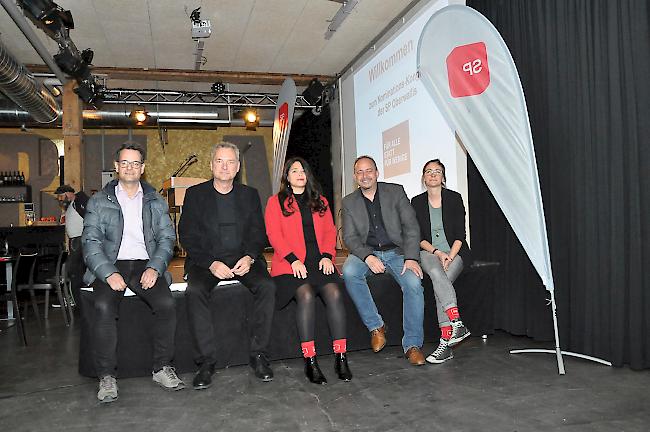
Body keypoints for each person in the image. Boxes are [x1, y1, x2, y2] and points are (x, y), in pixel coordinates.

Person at [82, 142, 183, 403]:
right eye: (124, 163)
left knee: (166, 304)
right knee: (103, 306)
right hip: (111, 262)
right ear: (116, 167)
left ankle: (162, 368)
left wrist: (154, 267)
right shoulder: (98, 200)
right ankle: (106, 376)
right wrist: (107, 273)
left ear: (143, 168)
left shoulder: (155, 200)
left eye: (135, 163)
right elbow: (90, 243)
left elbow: (166, 239)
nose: (130, 168)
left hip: (143, 263)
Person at [179, 142, 276, 389]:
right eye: (220, 161)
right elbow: (187, 235)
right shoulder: (195, 194)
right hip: (207, 261)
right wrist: (210, 263)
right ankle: (206, 362)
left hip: (243, 259)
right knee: (195, 291)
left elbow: (258, 232)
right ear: (211, 165)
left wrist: (251, 256)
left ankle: (258, 355)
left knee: (267, 286)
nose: (225, 166)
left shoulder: (249, 194)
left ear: (238, 167)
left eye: (230, 161)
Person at [265, 157, 352, 384]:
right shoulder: (276, 202)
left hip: (319, 261)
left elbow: (329, 233)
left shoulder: (320, 201)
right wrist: (293, 260)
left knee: (334, 292)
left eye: (303, 170)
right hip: (289, 265)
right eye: (294, 170)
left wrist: (326, 256)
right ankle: (310, 360)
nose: (299, 173)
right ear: (287, 176)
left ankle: (341, 357)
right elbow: (274, 235)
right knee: (304, 294)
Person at [341, 155, 426, 366]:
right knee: (350, 272)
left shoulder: (395, 192)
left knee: (414, 283)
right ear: (354, 176)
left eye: (368, 170)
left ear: (377, 173)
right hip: (367, 251)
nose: (364, 175)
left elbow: (411, 227)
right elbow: (350, 238)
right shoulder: (349, 202)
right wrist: (367, 256)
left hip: (397, 252)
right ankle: (376, 326)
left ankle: (413, 345)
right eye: (359, 172)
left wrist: (412, 257)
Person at [411, 159, 472, 364]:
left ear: (443, 177)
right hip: (429, 252)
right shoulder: (416, 202)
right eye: (428, 171)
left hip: (454, 252)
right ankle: (456, 322)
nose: (433, 174)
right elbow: (417, 236)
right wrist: (437, 252)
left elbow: (460, 235)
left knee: (440, 282)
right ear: (423, 178)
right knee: (438, 275)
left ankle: (445, 344)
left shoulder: (454, 198)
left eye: (437, 171)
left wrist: (450, 256)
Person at [55, 184, 89, 309]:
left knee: (75, 272)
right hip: (76, 241)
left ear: (68, 193)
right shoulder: (73, 205)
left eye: (61, 196)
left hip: (80, 240)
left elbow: (89, 217)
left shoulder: (80, 201)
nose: (60, 199)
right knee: (75, 273)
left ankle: (78, 301)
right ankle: (77, 300)